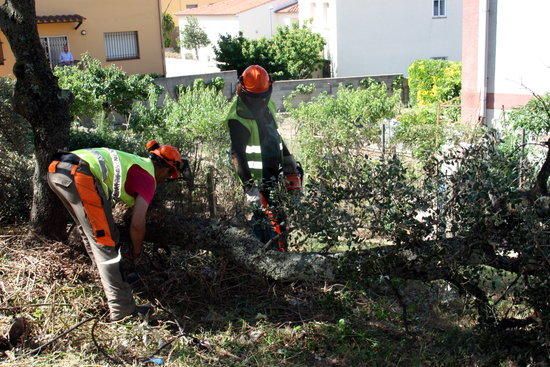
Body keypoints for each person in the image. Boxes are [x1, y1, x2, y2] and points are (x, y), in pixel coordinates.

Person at [47, 141, 188, 321]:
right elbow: (137, 225)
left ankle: (105, 283)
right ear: (165, 169)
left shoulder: (136, 162)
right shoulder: (148, 178)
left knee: (92, 233)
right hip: (80, 173)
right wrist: (137, 252)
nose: (165, 180)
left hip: (57, 169)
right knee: (105, 240)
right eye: (169, 175)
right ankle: (123, 310)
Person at [226, 65, 302, 251]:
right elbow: (237, 155)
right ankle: (267, 264)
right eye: (254, 96)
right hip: (257, 180)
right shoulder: (237, 116)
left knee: (281, 220)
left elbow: (274, 134)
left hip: (275, 172)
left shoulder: (268, 106)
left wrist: (288, 158)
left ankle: (284, 255)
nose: (258, 100)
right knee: (264, 227)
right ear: (242, 90)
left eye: (261, 96)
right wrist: (250, 188)